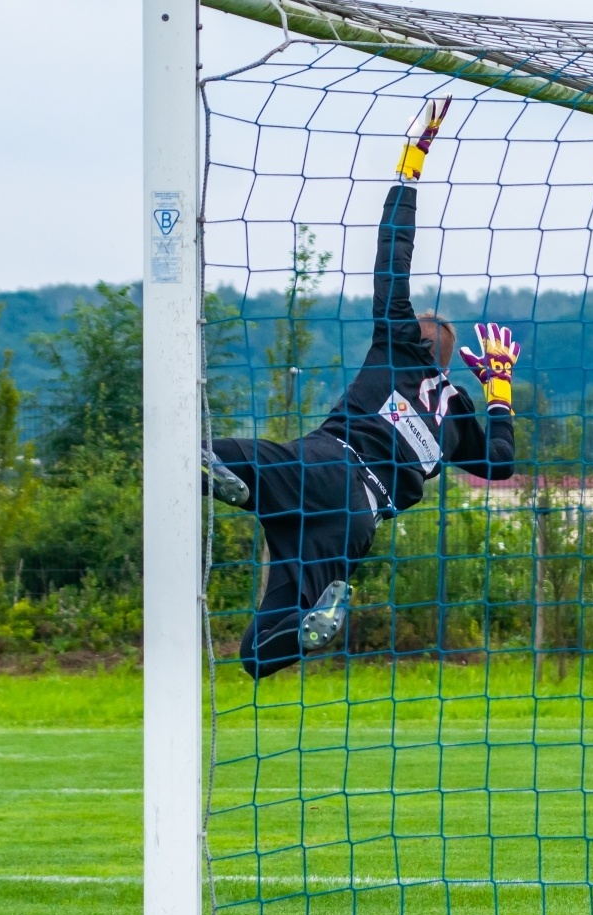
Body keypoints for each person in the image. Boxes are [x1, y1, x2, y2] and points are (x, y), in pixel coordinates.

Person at [205, 98, 521, 679]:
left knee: (200, 453)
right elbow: (499, 465)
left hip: (329, 469)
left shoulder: (398, 344)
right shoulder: (455, 414)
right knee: (256, 654)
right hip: (357, 520)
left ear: (417, 340)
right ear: (450, 366)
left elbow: (391, 259)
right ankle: (303, 627)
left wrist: (410, 166)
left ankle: (239, 483)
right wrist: (498, 391)